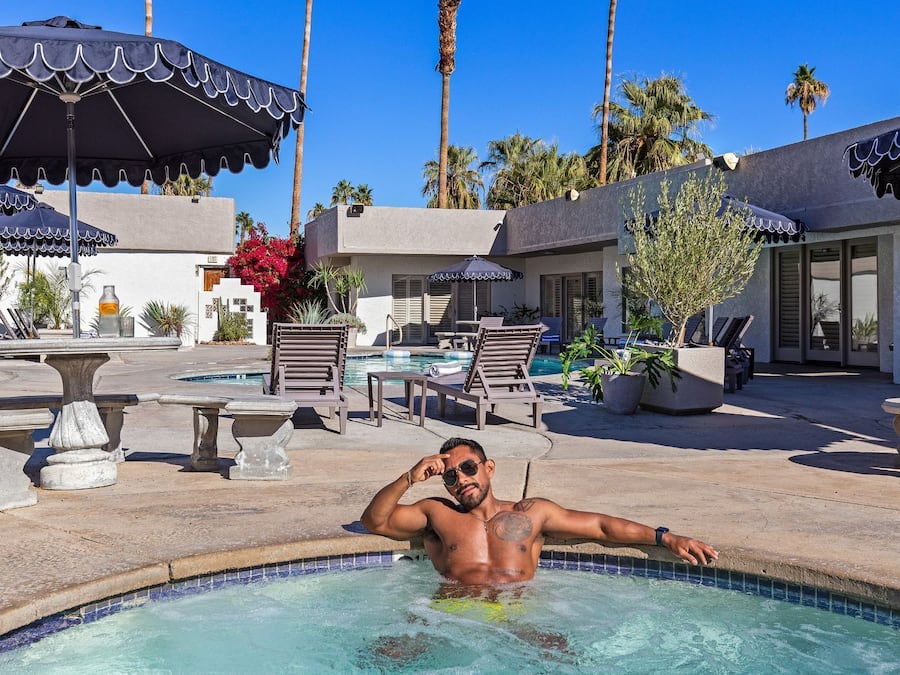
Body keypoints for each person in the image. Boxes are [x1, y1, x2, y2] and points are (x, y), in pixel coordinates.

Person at [361, 437, 718, 585]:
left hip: (515, 612)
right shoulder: (437, 514)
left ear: (489, 468)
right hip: (452, 613)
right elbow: (374, 521)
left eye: (469, 468)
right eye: (451, 475)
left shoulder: (532, 513)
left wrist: (666, 537)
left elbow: (601, 526)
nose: (461, 480)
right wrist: (409, 477)